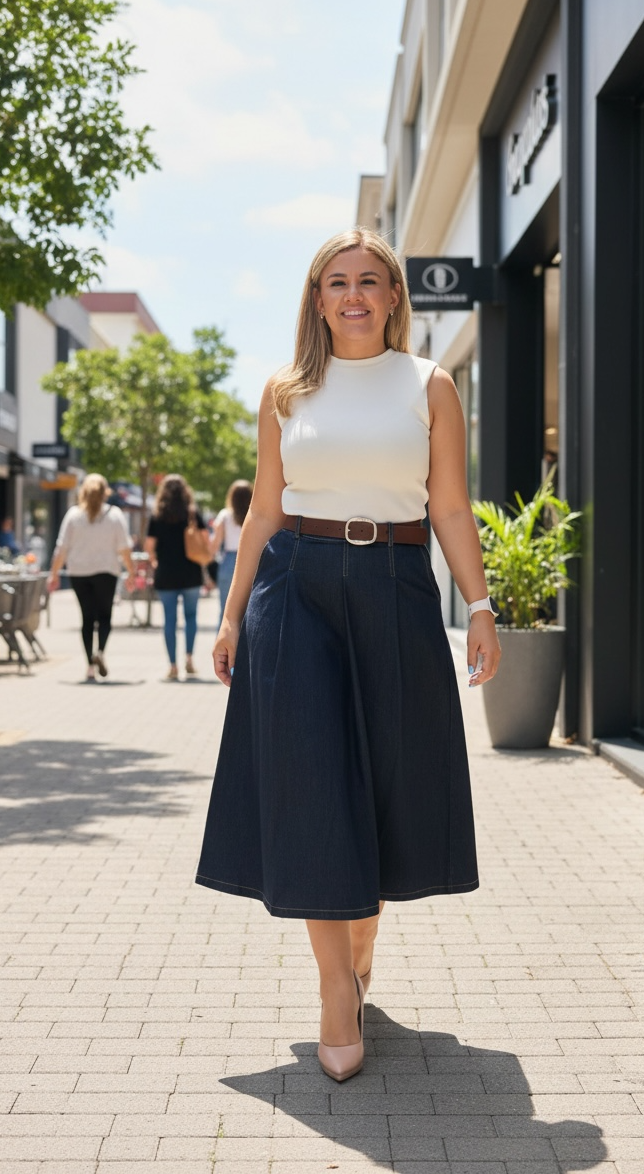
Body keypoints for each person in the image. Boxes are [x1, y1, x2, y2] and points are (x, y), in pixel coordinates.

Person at [195, 228, 501, 1083]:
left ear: (395, 298)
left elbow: (449, 505)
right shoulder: (286, 391)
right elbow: (262, 512)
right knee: (311, 783)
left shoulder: (429, 385)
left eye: (371, 281)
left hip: (398, 583)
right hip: (296, 589)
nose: (355, 295)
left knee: (392, 779)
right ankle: (336, 990)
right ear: (318, 298)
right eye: (339, 282)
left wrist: (478, 606)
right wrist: (228, 620)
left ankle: (360, 937)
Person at [48, 474, 135, 681]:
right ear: (106, 492)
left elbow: (61, 548)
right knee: (105, 616)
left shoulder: (74, 515)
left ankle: (89, 666)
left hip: (79, 573)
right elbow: (124, 549)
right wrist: (131, 572)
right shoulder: (114, 516)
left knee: (87, 618)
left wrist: (54, 574)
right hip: (107, 572)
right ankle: (101, 652)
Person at [144, 474, 208, 681]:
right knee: (191, 617)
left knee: (169, 620)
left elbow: (149, 547)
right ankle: (189, 659)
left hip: (166, 574)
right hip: (191, 572)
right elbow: (205, 541)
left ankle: (172, 666)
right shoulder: (192, 513)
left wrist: (154, 561)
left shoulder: (157, 515)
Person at [209, 479, 253, 625]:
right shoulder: (254, 515)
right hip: (251, 560)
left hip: (228, 561)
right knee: (249, 611)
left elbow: (215, 545)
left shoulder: (225, 515)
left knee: (225, 612)